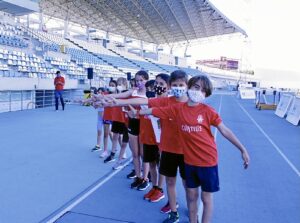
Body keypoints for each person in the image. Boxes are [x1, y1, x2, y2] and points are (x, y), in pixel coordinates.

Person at [131, 75, 250, 223]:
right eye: (195, 87)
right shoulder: (178, 109)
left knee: (206, 198)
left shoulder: (208, 111)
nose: (198, 91)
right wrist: (135, 112)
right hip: (189, 161)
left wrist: (242, 149)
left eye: (202, 90)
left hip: (208, 161)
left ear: (206, 94)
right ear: (189, 87)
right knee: (191, 196)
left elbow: (224, 130)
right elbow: (152, 110)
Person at [97, 70, 190, 220]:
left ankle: (186, 205)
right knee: (159, 170)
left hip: (169, 144)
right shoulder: (157, 99)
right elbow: (142, 103)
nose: (158, 87)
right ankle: (160, 192)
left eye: (161, 84)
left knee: (180, 180)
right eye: (157, 84)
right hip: (153, 139)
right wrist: (113, 101)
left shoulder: (176, 101)